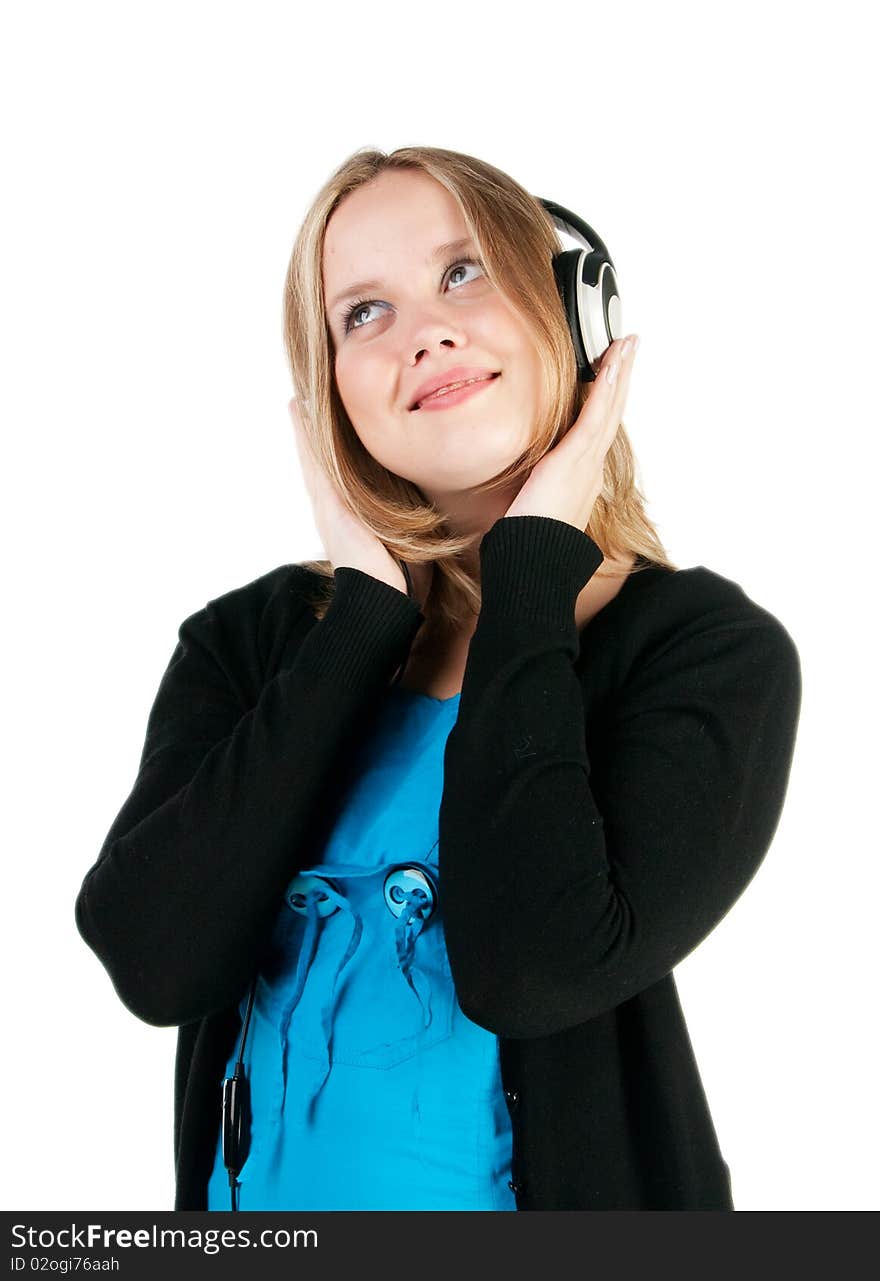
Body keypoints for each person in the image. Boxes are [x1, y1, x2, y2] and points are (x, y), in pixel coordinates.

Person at [74, 145, 802, 1212]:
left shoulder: (701, 650)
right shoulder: (252, 641)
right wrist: (360, 622)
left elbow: (533, 970)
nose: (424, 331)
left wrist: (532, 569)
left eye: (464, 273)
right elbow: (156, 964)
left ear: (573, 312)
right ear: (331, 393)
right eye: (362, 313)